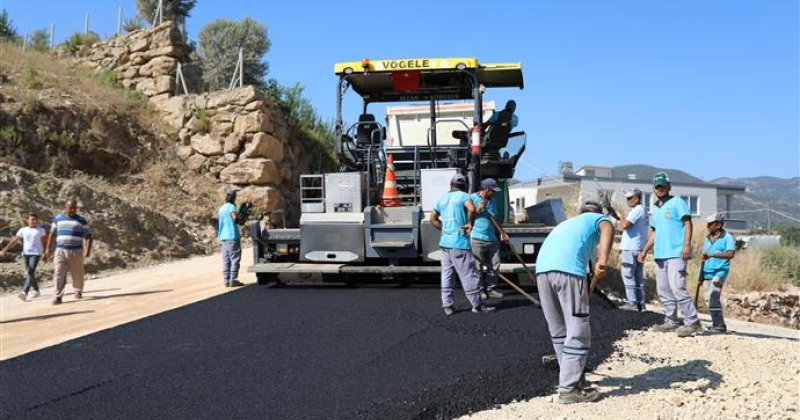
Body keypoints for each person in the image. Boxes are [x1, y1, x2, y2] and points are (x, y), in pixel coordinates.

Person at [535, 200, 613, 404]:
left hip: (542, 272)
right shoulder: (597, 219)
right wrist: (603, 260)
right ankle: (569, 389)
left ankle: (571, 377)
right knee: (578, 331)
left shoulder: (568, 225)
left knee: (559, 330)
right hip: (568, 272)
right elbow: (608, 227)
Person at [638, 172, 701, 337]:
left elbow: (688, 223)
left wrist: (686, 245)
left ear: (668, 186)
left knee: (677, 286)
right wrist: (644, 251)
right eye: (657, 186)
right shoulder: (656, 208)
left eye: (662, 186)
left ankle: (692, 321)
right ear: (654, 188)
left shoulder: (677, 202)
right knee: (663, 290)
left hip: (676, 252)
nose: (660, 189)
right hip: (660, 254)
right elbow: (654, 232)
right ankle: (671, 321)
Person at [431, 174, 495, 316]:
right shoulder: (464, 196)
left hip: (445, 243)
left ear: (451, 185)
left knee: (447, 274)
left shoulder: (442, 199)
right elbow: (471, 209)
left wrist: (445, 229)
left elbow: (433, 218)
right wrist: (469, 223)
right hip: (459, 242)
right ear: (464, 185)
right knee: (468, 274)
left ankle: (447, 305)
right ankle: (477, 305)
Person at [45, 199, 92, 305]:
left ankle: (78, 290)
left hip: (76, 251)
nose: (73, 210)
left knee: (77, 273)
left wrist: (87, 250)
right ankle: (58, 296)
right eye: (71, 208)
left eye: (75, 208)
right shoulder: (58, 219)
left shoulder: (81, 220)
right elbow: (52, 234)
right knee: (59, 273)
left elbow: (88, 236)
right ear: (65, 207)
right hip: (61, 250)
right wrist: (47, 248)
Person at [470, 178, 509, 300]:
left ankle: (491, 289)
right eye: (493, 190)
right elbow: (466, 216)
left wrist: (502, 233)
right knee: (478, 266)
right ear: (487, 189)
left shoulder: (492, 201)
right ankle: (479, 290)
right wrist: (477, 209)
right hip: (476, 237)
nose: (494, 193)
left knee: (495, 264)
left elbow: (494, 219)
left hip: (491, 238)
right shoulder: (472, 199)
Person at [700, 213, 736, 333]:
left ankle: (720, 325)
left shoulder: (728, 237)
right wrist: (700, 275)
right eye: (708, 224)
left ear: (719, 225)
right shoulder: (707, 238)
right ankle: (717, 323)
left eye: (711, 224)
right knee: (708, 299)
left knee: (713, 295)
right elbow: (704, 257)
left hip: (720, 271)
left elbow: (730, 254)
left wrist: (713, 254)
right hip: (706, 272)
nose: (708, 226)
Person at [1, 213, 47, 301]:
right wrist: (5, 249)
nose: (34, 221)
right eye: (32, 219)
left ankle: (24, 292)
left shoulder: (41, 230)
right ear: (27, 220)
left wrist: (45, 252)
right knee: (30, 273)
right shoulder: (23, 230)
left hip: (36, 253)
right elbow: (14, 241)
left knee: (30, 272)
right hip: (25, 254)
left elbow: (44, 242)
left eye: (35, 219)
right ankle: (37, 290)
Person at [616, 189, 648, 311]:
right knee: (638, 277)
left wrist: (621, 217)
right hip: (638, 248)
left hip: (630, 248)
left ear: (637, 198)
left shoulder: (637, 210)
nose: (627, 200)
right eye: (627, 198)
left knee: (628, 275)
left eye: (630, 198)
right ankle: (641, 304)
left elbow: (625, 225)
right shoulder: (643, 210)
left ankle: (632, 303)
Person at [218, 190, 244, 287]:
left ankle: (226, 280)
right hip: (232, 236)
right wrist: (241, 218)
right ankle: (233, 279)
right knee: (235, 258)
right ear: (234, 198)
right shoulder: (232, 207)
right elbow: (235, 219)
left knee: (226, 259)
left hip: (223, 237)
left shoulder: (221, 208)